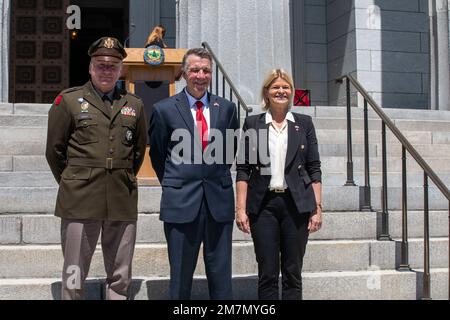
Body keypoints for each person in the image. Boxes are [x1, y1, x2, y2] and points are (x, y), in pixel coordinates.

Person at [45, 37, 147, 300]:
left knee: (121, 271)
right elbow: (54, 151)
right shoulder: (68, 101)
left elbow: (137, 151)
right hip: (80, 195)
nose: (106, 71)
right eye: (100, 65)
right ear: (90, 68)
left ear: (120, 70)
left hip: (120, 195)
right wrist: (73, 179)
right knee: (75, 268)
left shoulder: (134, 105)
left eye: (112, 66)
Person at [148, 48, 239, 299]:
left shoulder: (228, 108)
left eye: (206, 70)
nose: (201, 75)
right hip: (181, 202)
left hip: (217, 202)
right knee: (180, 276)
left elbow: (228, 151)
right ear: (184, 73)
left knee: (221, 276)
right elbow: (158, 155)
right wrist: (174, 182)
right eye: (195, 70)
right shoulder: (164, 109)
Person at [235, 68, 322, 300]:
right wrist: (241, 209)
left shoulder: (303, 123)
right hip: (263, 206)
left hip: (297, 205)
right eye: (276, 87)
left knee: (293, 272)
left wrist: (317, 208)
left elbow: (314, 168)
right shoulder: (253, 123)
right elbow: (243, 169)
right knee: (268, 273)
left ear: (291, 92)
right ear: (267, 92)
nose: (281, 91)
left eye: (285, 87)